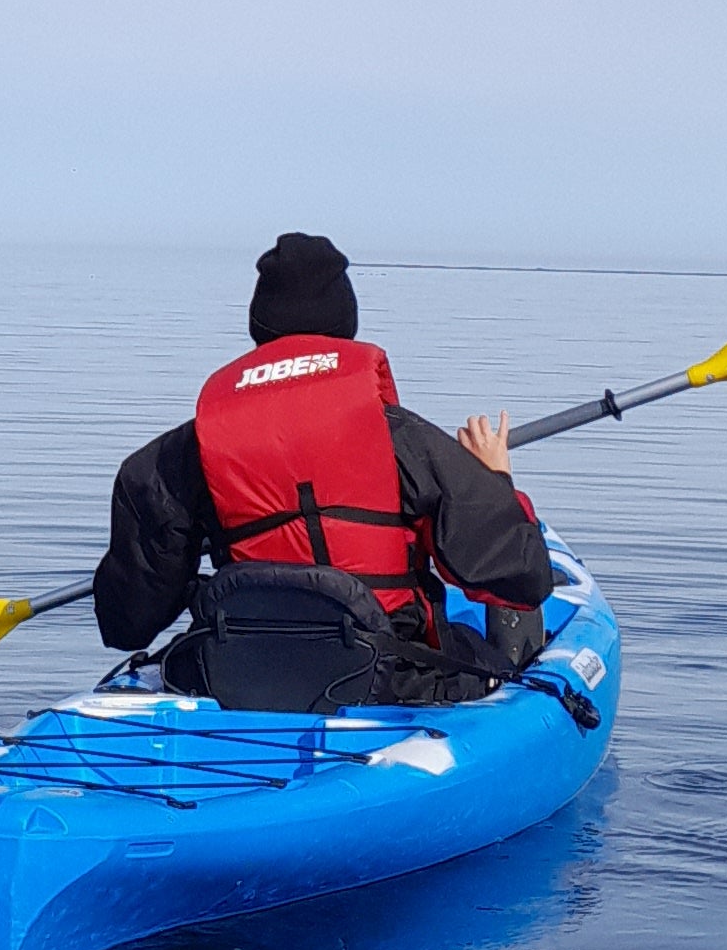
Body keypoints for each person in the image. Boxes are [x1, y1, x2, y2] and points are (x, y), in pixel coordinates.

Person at [92, 232, 556, 712]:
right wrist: (496, 480)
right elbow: (520, 577)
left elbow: (127, 622)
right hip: (388, 679)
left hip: (236, 675)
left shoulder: (179, 457)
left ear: (259, 326)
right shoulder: (402, 440)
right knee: (499, 653)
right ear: (345, 323)